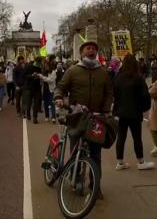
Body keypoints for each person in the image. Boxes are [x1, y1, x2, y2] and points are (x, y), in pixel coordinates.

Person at [55, 41, 113, 199]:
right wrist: (59, 97)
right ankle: (76, 181)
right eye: (88, 48)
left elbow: (109, 92)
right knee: (75, 154)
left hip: (96, 118)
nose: (91, 51)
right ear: (82, 53)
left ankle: (96, 186)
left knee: (96, 155)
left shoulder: (103, 72)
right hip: (77, 117)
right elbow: (60, 87)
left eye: (94, 49)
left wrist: (107, 109)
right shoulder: (72, 71)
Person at [113, 54, 154, 170]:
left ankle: (120, 162)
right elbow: (146, 96)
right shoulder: (138, 78)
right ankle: (140, 161)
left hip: (120, 112)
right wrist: (142, 108)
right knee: (137, 137)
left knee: (121, 137)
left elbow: (114, 94)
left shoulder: (117, 78)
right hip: (135, 112)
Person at [23, 57, 43, 123]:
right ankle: (28, 114)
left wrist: (39, 76)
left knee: (36, 103)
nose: (39, 64)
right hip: (29, 87)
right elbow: (24, 75)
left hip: (37, 87)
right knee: (29, 102)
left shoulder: (39, 68)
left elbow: (41, 76)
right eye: (38, 63)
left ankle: (35, 117)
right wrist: (32, 75)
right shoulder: (28, 67)